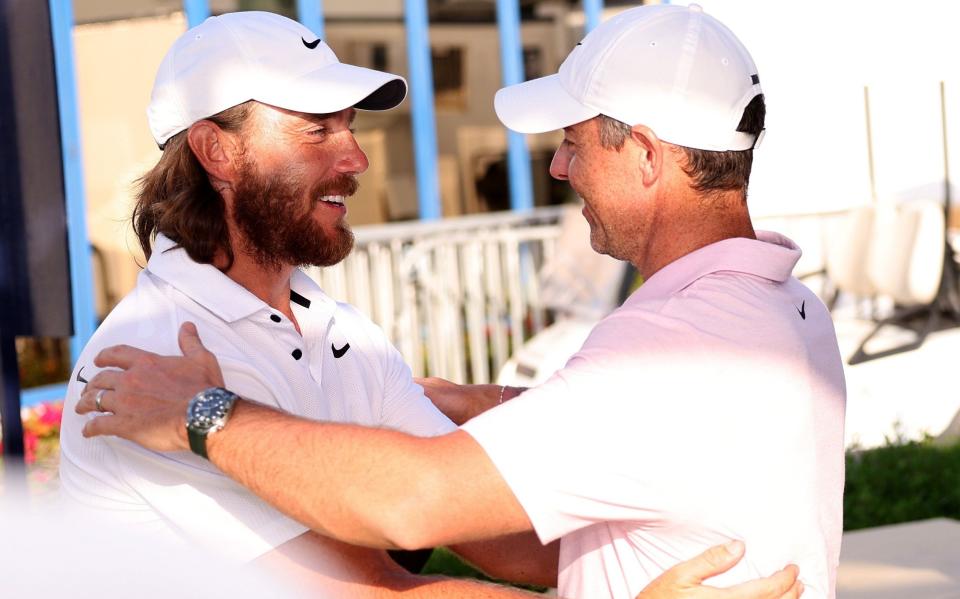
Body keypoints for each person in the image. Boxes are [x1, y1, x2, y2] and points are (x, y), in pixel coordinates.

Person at [61, 8, 802, 599]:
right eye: (319, 128)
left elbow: (496, 526)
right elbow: (375, 593)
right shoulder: (150, 371)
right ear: (217, 152)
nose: (355, 157)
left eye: (350, 127)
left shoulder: (340, 331)